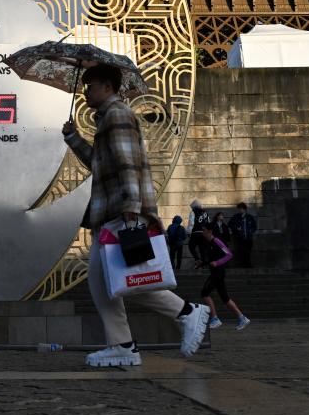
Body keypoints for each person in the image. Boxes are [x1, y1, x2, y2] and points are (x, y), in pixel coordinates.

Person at [63, 64, 211, 367]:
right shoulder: (108, 119)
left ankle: (185, 314)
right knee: (105, 282)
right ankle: (124, 344)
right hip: (112, 212)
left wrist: (131, 208)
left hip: (121, 212)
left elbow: (128, 164)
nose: (86, 92)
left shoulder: (117, 115)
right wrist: (74, 138)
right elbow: (102, 163)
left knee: (122, 280)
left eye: (90, 86)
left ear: (106, 86)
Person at [197, 223, 249, 331]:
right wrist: (201, 263)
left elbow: (229, 254)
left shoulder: (216, 241)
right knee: (225, 298)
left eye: (204, 230)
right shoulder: (209, 243)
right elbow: (211, 260)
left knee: (204, 293)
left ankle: (215, 318)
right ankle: (242, 318)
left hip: (218, 273)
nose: (202, 232)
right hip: (216, 273)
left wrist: (218, 262)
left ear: (210, 231)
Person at [228, 202, 258, 268]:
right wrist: (236, 228)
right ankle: (241, 264)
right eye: (239, 209)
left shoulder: (249, 217)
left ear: (245, 209)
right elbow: (230, 224)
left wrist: (250, 231)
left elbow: (254, 226)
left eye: (241, 209)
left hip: (248, 238)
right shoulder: (236, 217)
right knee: (240, 251)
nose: (240, 210)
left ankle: (248, 264)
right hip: (239, 238)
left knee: (248, 251)